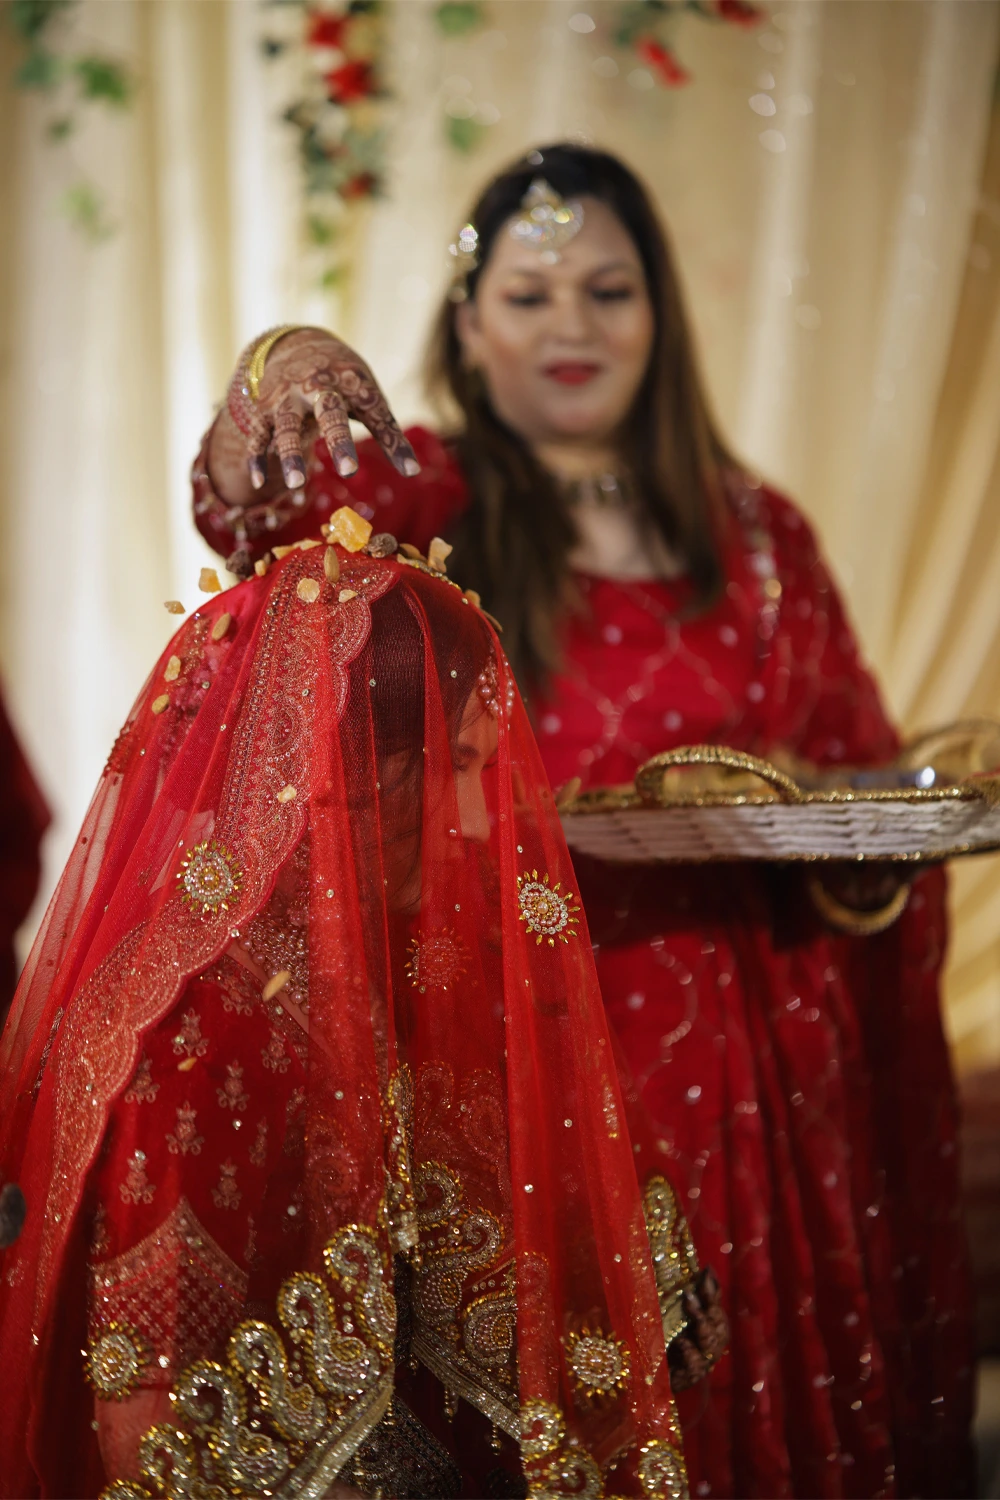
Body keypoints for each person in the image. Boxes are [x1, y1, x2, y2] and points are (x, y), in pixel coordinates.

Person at [190, 144, 975, 1498]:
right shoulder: (436, 507)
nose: (572, 326)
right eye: (531, 292)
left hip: (772, 1050)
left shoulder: (761, 538)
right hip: (544, 1051)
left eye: (608, 290)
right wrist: (287, 358)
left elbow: (853, 777)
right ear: (467, 323)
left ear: (659, 316)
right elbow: (258, 524)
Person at [0, 511, 727, 1497]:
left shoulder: (425, 967)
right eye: (463, 767)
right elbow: (148, 1416)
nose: (480, 818)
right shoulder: (184, 1045)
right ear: (330, 788)